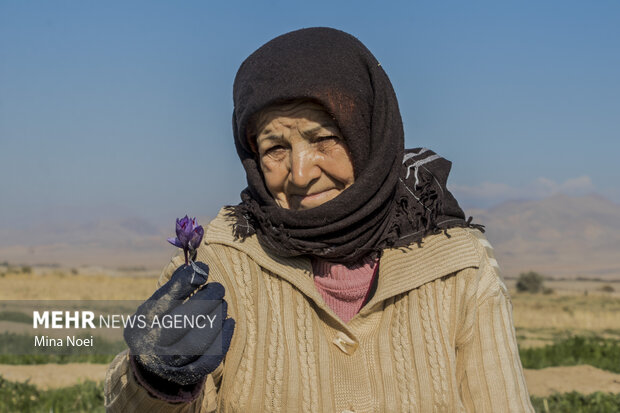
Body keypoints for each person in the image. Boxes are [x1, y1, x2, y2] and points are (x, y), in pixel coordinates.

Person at [105, 27, 534, 412]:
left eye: (324, 138)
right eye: (275, 148)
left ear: (369, 132)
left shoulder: (459, 265)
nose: (301, 173)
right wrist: (155, 380)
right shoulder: (218, 265)